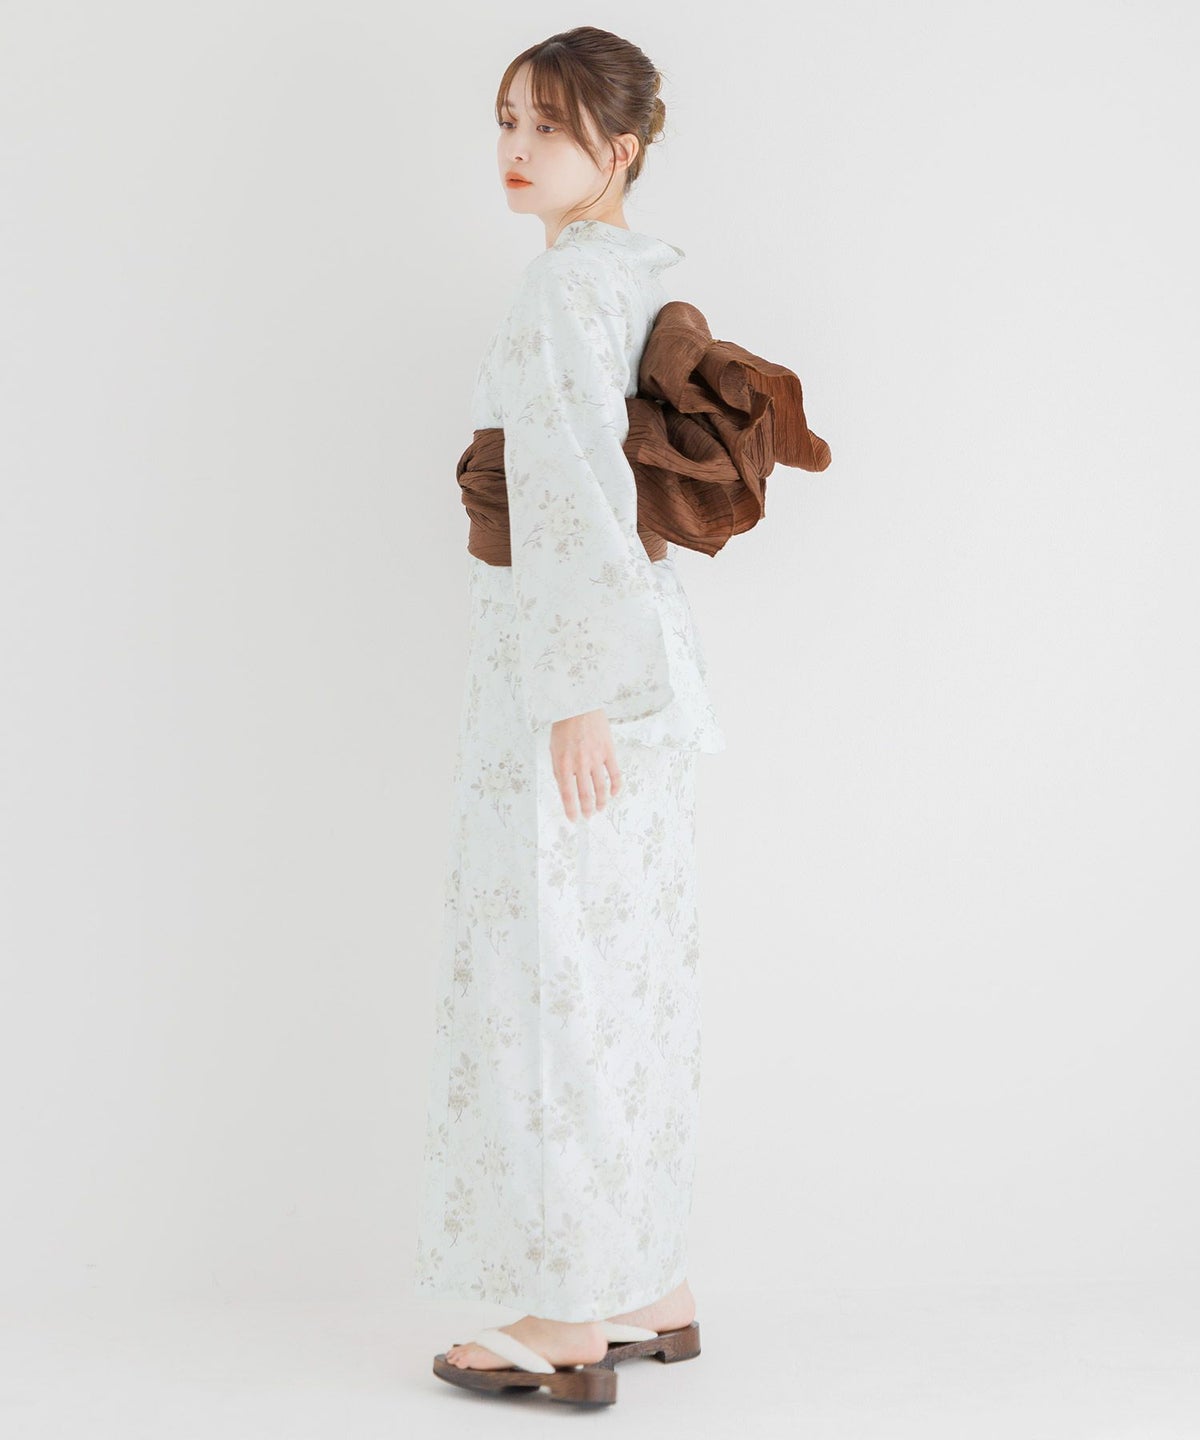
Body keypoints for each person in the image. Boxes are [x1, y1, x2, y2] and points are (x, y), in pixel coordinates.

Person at [413, 26, 725, 1405]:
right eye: (507, 121)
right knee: (629, 974)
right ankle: (651, 1284)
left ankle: (565, 1317)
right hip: (645, 666)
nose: (515, 149)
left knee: (550, 978)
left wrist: (574, 692)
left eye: (549, 125)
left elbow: (570, 496)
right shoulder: (626, 282)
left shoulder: (561, 295)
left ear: (623, 146)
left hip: (574, 675)